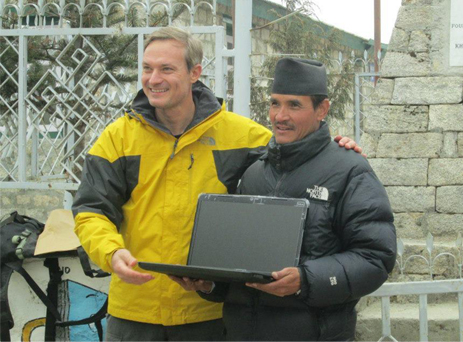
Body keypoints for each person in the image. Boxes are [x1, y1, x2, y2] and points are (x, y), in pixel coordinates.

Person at [72, 27, 362, 341]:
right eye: (147, 68)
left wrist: (333, 145)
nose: (153, 79)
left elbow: (298, 156)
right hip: (133, 313)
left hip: (209, 315)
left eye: (166, 69)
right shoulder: (117, 138)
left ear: (195, 72)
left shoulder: (243, 136)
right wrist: (111, 253)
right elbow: (90, 211)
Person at [173, 58, 397, 341]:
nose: (280, 116)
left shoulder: (350, 171)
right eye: (275, 103)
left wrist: (305, 280)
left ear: (322, 110)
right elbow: (241, 266)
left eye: (294, 105)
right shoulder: (253, 174)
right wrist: (209, 284)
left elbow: (375, 257)